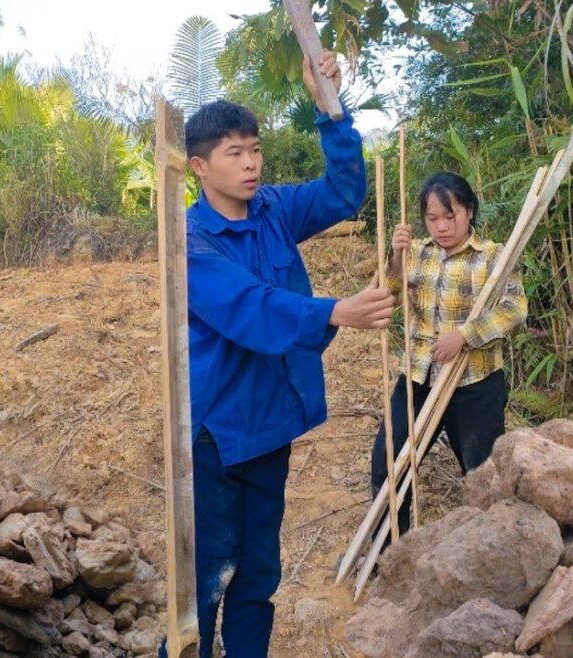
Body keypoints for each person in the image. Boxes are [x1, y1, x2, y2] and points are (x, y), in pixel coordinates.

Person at [170, 51, 394, 658]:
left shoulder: (272, 209)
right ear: (200, 166)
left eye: (255, 149)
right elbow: (249, 306)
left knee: (259, 574)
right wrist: (334, 311)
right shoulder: (189, 241)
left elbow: (343, 192)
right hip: (215, 435)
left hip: (270, 424)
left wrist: (331, 109)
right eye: (234, 153)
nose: (250, 163)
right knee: (206, 579)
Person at [371, 172, 527, 535]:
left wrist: (464, 336)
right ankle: (390, 551)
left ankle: (491, 547)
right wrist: (395, 258)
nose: (441, 226)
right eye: (432, 218)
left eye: (450, 215)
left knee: (483, 474)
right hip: (419, 376)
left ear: (469, 211)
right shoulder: (417, 253)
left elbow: (514, 310)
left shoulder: (493, 256)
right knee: (389, 464)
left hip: (474, 383)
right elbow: (387, 298)